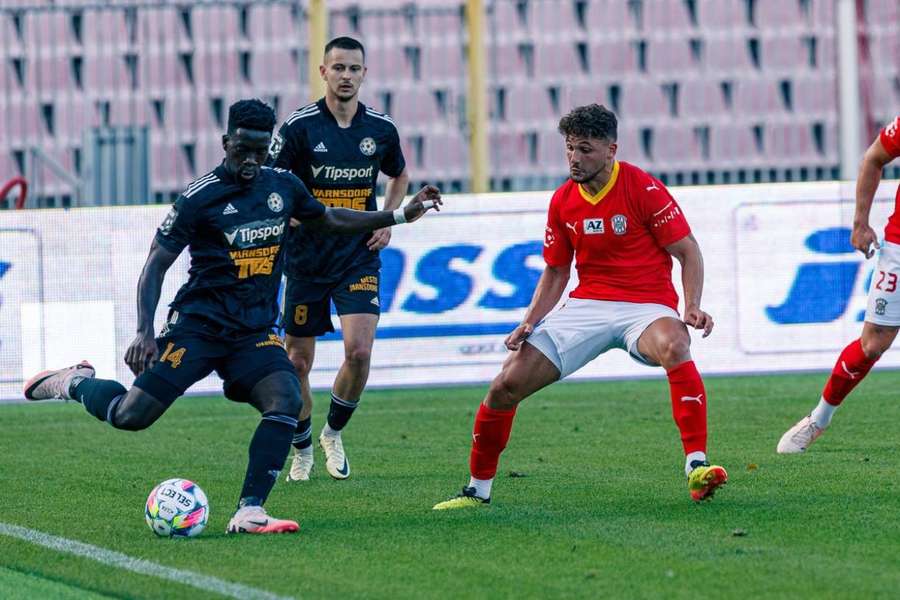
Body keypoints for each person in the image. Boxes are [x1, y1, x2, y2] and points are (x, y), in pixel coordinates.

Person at [23, 99, 441, 533]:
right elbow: (155, 264)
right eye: (242, 149)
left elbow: (329, 217)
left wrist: (398, 214)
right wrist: (144, 332)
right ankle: (76, 381)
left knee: (285, 398)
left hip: (253, 332)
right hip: (198, 327)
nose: (251, 160)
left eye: (260, 151)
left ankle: (250, 510)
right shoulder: (199, 198)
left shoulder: (282, 187)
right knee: (131, 415)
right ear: (226, 143)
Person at [432, 104, 727, 510]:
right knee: (505, 385)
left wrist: (691, 305)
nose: (574, 158)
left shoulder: (643, 189)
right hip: (587, 305)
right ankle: (476, 491)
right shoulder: (563, 201)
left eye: (585, 149)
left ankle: (697, 466)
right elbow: (555, 272)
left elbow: (688, 251)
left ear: (611, 150)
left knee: (676, 343)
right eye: (569, 148)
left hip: (645, 306)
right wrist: (528, 322)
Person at [269, 36, 409, 482]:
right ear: (323, 72)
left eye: (354, 68)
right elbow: (273, 181)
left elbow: (399, 173)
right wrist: (286, 213)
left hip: (357, 256)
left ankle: (333, 432)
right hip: (307, 259)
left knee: (360, 351)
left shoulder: (381, 130)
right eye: (339, 68)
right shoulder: (300, 128)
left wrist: (384, 220)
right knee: (297, 363)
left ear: (364, 74)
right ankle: (303, 447)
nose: (346, 76)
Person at [778, 115, 900, 454]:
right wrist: (860, 223)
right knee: (873, 344)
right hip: (899, 249)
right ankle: (819, 418)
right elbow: (874, 158)